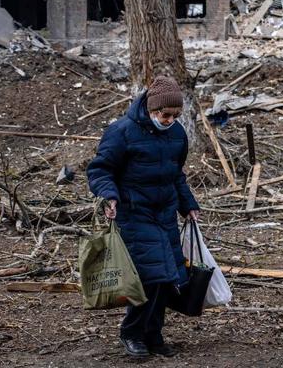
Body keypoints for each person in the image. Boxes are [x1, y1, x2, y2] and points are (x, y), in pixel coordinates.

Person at [87, 76, 200, 358]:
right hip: (134, 214)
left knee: (166, 278)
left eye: (175, 115)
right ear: (151, 109)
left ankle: (153, 334)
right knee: (148, 277)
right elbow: (100, 170)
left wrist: (188, 204)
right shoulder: (122, 132)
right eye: (165, 114)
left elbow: (176, 174)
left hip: (165, 214)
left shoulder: (177, 135)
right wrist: (109, 196)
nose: (170, 120)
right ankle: (132, 333)